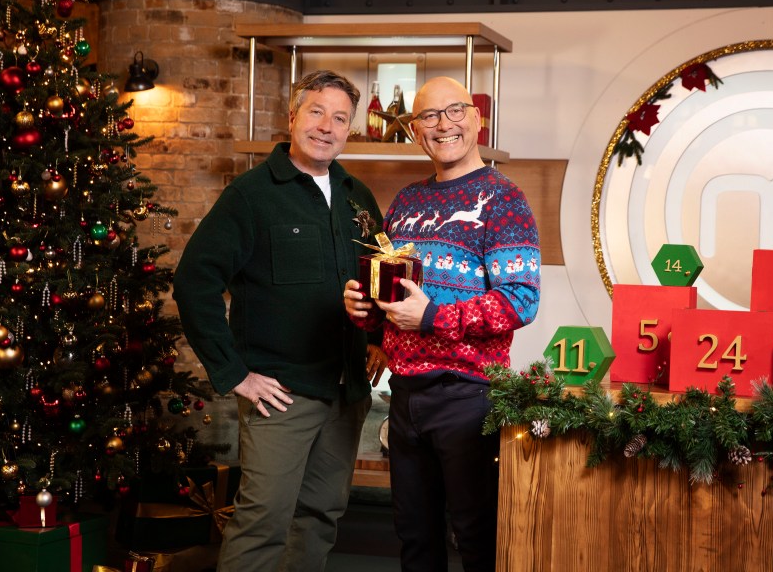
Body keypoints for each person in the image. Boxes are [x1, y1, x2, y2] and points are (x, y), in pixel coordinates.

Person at [173, 69, 387, 572]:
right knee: (263, 521)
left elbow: (379, 276)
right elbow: (194, 283)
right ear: (292, 117)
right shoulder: (251, 196)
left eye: (340, 118)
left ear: (350, 130)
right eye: (316, 112)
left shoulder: (359, 198)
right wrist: (234, 373)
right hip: (281, 393)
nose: (327, 127)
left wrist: (378, 340)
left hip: (346, 391)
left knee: (320, 517)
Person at [344, 76, 541, 571]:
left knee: (477, 539)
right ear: (415, 131)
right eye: (429, 116)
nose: (444, 124)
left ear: (476, 119)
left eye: (455, 111)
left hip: (469, 398)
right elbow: (391, 288)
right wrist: (364, 307)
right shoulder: (406, 203)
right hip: (405, 395)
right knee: (414, 538)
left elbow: (520, 301)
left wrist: (432, 317)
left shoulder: (504, 199)